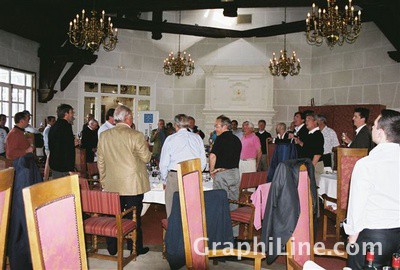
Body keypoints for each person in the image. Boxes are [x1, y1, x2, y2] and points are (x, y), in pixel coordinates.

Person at [344, 109, 400, 269]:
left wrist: (352, 237)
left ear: (381, 133)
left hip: (376, 234)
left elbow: (357, 205)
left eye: (374, 126)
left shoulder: (367, 164)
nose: (372, 129)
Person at [97, 105, 152, 256]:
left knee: (113, 216)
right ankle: (135, 247)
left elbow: (100, 161)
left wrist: (104, 181)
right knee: (134, 218)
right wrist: (146, 147)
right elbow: (146, 158)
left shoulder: (104, 135)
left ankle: (112, 247)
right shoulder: (136, 135)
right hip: (132, 184)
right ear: (127, 118)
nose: (132, 119)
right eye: (132, 117)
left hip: (112, 184)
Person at [159, 114, 207, 217]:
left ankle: (173, 230)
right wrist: (197, 173)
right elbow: (203, 162)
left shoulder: (170, 139)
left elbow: (164, 162)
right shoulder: (197, 138)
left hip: (175, 175)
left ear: (176, 125)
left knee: (172, 208)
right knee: (191, 208)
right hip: (192, 174)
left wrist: (164, 179)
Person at [209, 115, 242, 210]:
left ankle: (222, 224)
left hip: (222, 174)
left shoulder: (220, 139)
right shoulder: (237, 139)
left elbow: (212, 156)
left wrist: (211, 171)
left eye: (217, 126)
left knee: (220, 202)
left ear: (225, 126)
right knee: (234, 202)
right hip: (235, 173)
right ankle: (233, 224)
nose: (215, 129)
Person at [48, 104, 78, 179]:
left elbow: (59, 144)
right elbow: (65, 148)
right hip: (63, 166)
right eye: (71, 113)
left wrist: (72, 143)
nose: (73, 115)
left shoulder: (55, 126)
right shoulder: (66, 126)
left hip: (55, 163)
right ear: (66, 114)